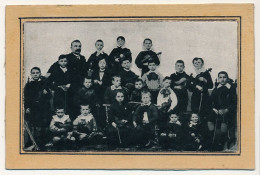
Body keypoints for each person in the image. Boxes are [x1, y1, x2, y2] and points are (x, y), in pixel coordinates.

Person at [208, 71, 237, 151]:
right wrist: (214, 109)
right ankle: (213, 141)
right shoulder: (216, 88)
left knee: (224, 122)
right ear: (218, 79)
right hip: (216, 110)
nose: (222, 79)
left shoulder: (231, 87)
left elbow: (234, 102)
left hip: (227, 111)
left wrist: (226, 110)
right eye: (220, 77)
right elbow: (210, 101)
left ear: (227, 78)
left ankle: (221, 142)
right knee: (209, 119)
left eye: (224, 77)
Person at [24, 67, 51, 149]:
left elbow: (49, 96)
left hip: (43, 108)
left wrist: (46, 93)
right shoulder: (28, 85)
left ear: (40, 74)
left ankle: (43, 141)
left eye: (37, 73)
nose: (35, 74)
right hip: (33, 108)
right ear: (31, 74)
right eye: (34, 73)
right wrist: (27, 107)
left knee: (44, 124)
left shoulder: (44, 83)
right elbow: (27, 98)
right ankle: (32, 142)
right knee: (34, 124)